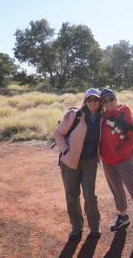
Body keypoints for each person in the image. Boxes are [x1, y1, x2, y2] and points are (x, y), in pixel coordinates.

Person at [55, 88, 102, 240]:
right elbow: (59, 134)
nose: (92, 102)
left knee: (89, 195)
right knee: (72, 194)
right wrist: (66, 151)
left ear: (99, 102)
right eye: (89, 100)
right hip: (70, 161)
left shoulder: (103, 118)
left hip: (90, 161)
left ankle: (94, 226)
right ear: (85, 101)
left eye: (96, 100)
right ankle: (76, 226)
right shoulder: (75, 115)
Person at [99, 88, 133, 231]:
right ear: (102, 103)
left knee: (132, 188)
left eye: (111, 98)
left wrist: (119, 152)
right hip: (107, 161)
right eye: (105, 100)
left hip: (123, 160)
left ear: (116, 99)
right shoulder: (101, 117)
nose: (109, 102)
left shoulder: (123, 113)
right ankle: (123, 217)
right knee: (116, 190)